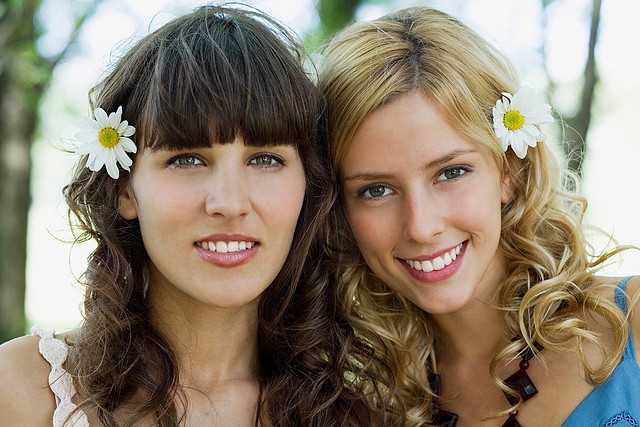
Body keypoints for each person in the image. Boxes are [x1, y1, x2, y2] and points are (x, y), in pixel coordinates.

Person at [0, 5, 370, 426]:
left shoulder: (352, 415)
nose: (229, 203)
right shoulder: (20, 392)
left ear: (309, 184)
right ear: (125, 190)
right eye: (188, 160)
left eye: (265, 159)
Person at [319, 7, 640, 426]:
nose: (421, 225)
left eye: (451, 172)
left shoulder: (630, 321)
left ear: (509, 170)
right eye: (376, 190)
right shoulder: (367, 408)